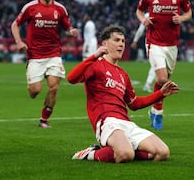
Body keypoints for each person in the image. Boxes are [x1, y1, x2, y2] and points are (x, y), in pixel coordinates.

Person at [68, 25, 179, 163]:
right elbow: (71, 78)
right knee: (125, 154)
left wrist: (160, 94)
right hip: (107, 121)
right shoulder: (95, 65)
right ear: (105, 44)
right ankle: (90, 154)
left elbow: (134, 103)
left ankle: (122, 149)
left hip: (126, 123)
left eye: (122, 41)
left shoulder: (122, 74)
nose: (121, 44)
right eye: (116, 40)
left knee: (162, 152)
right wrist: (94, 56)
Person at [11, 0, 79, 128]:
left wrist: (71, 31)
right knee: (35, 91)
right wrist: (19, 41)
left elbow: (66, 26)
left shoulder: (60, 9)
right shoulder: (30, 7)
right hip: (34, 56)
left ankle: (43, 120)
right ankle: (31, 84)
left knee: (54, 87)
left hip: (54, 54)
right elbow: (15, 25)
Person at [136, 0, 192, 130]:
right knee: (162, 79)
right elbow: (139, 11)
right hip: (153, 41)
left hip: (172, 44)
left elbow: (189, 13)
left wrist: (181, 19)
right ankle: (159, 112)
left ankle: (153, 109)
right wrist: (143, 20)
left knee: (163, 83)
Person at [130, 13, 155, 93]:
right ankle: (148, 84)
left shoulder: (162, 11)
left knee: (160, 64)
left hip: (161, 43)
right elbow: (141, 29)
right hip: (152, 42)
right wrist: (135, 41)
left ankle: (155, 83)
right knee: (156, 64)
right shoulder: (148, 15)